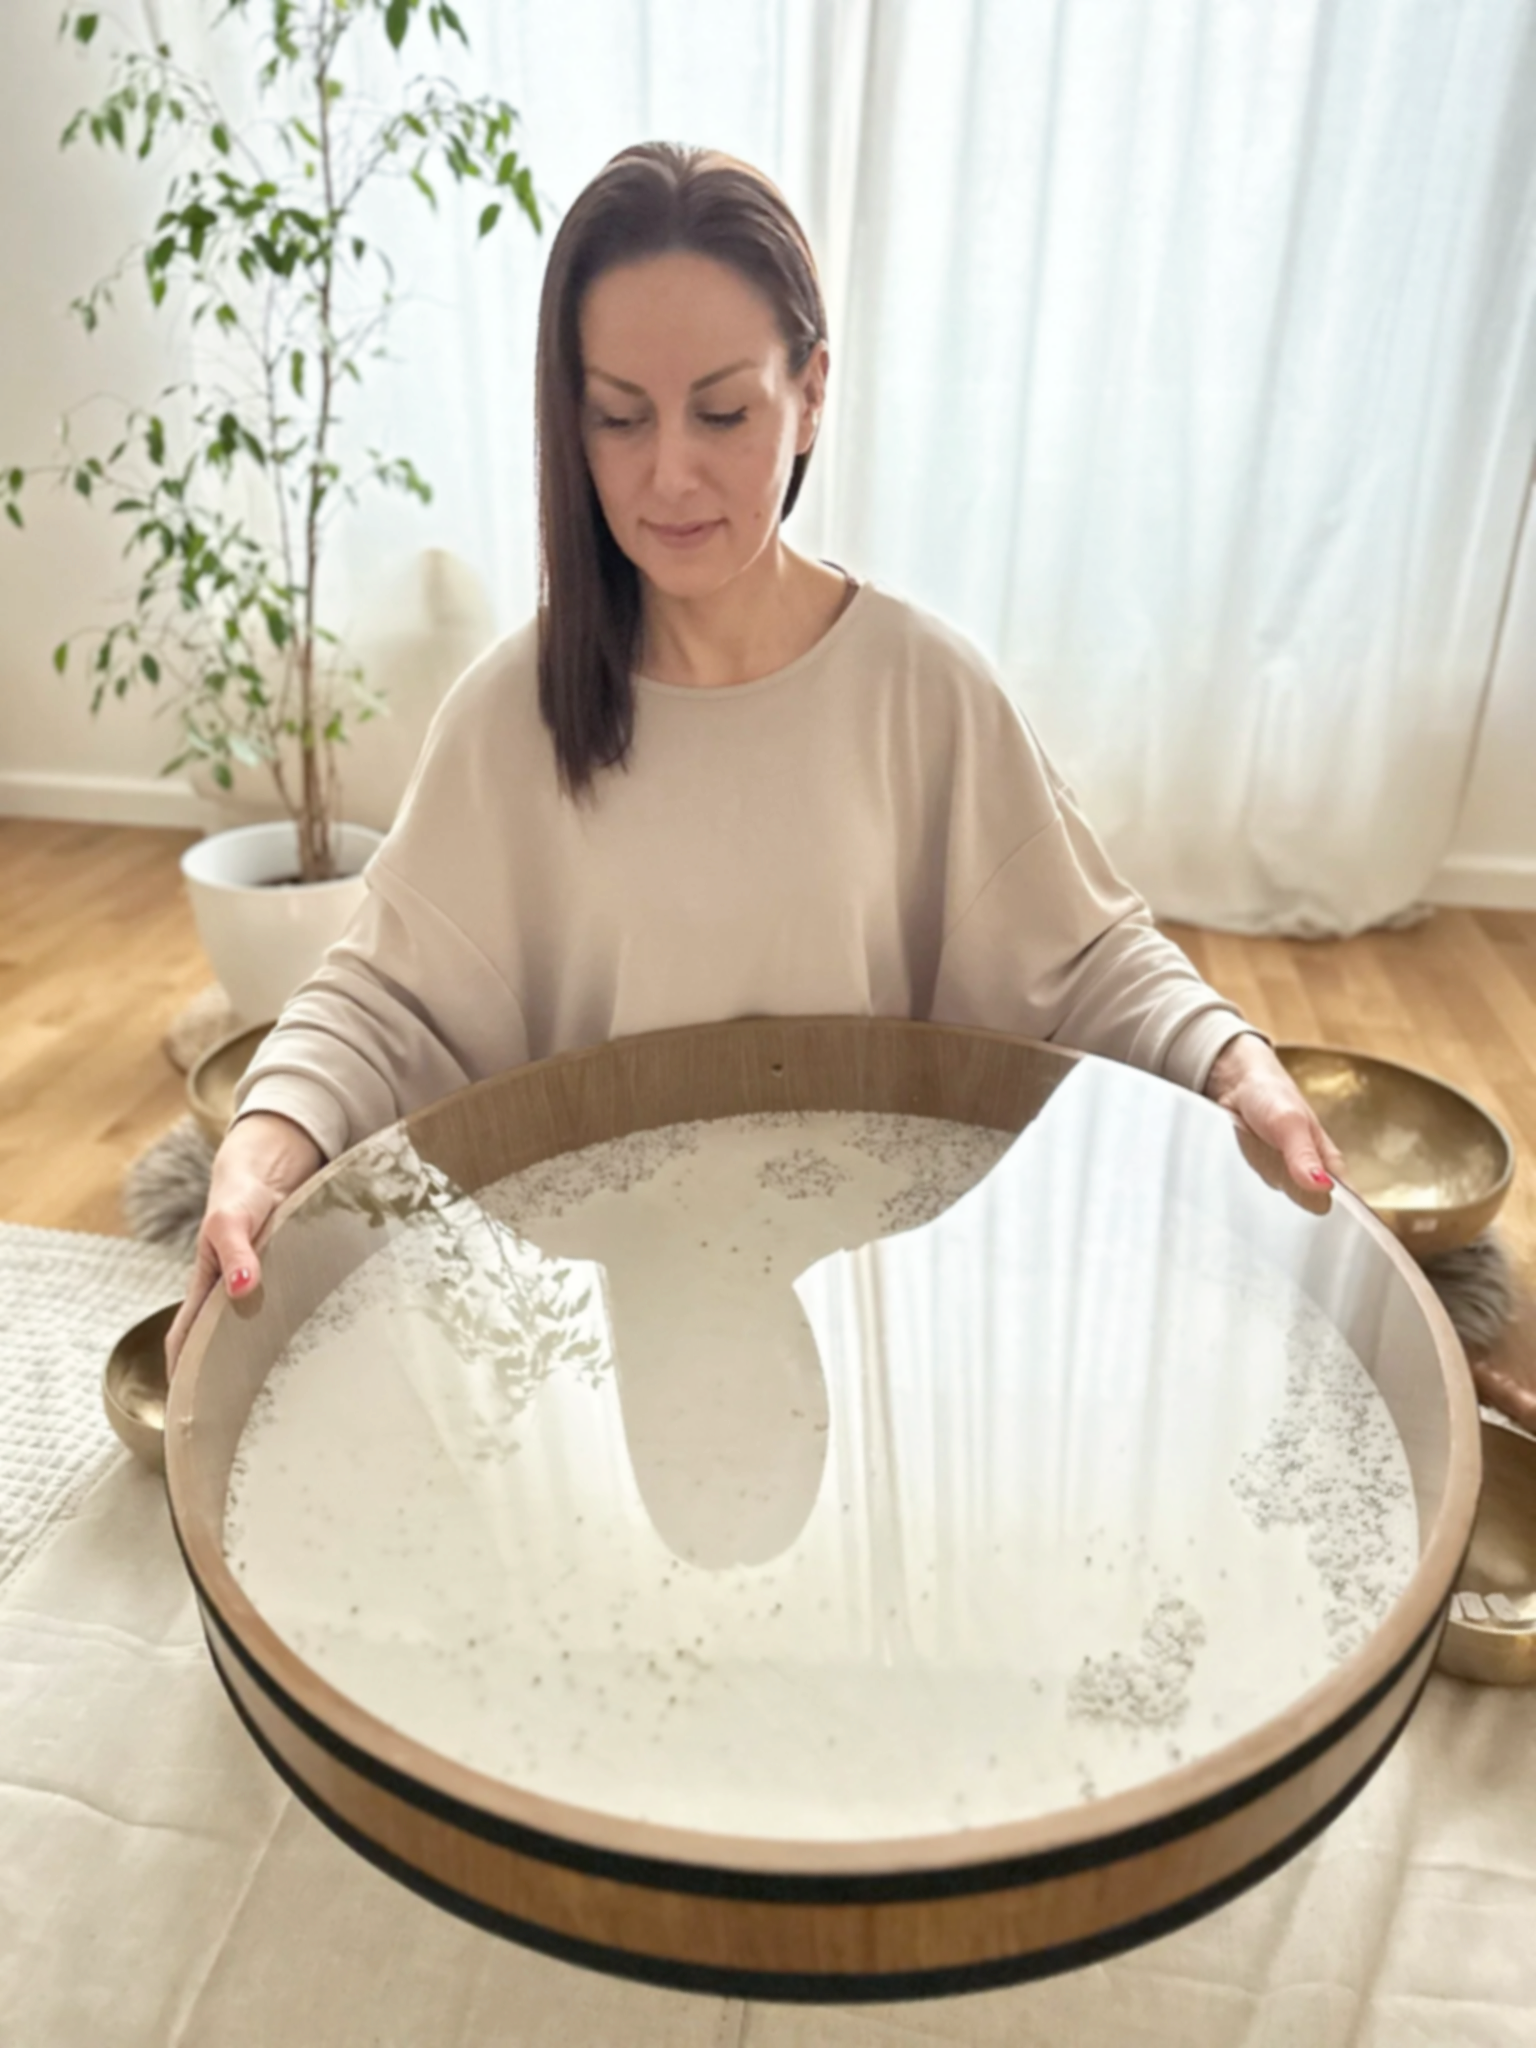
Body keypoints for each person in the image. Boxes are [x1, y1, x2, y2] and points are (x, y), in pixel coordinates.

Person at [165, 142, 1343, 1375]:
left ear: (812, 391)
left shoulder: (922, 686)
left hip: (881, 1289)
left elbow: (1088, 957)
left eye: (722, 411)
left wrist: (1237, 1065)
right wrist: (259, 1150)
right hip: (589, 1315)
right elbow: (382, 1002)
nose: (667, 471)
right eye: (619, 416)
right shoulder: (513, 712)